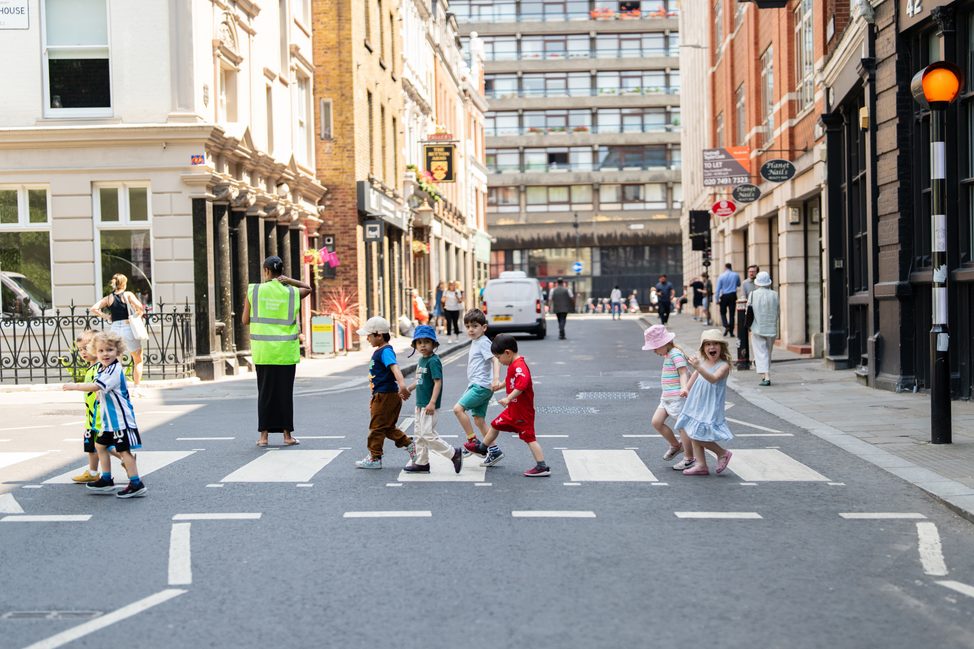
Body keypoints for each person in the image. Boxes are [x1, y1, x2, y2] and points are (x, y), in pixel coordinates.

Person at [63, 331, 147, 498]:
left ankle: (136, 483)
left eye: (109, 350)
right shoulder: (104, 368)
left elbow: (97, 386)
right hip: (108, 420)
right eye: (101, 351)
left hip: (120, 420)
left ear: (118, 351)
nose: (105, 354)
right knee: (100, 445)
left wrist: (74, 386)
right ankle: (106, 479)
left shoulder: (114, 370)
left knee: (124, 451)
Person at [242, 256, 310, 448]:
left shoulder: (254, 290)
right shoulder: (291, 292)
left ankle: (263, 437)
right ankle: (287, 436)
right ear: (282, 272)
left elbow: (245, 320)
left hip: (264, 352)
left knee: (264, 394)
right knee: (284, 394)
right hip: (285, 352)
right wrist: (290, 281)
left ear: (266, 271)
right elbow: (308, 287)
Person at [466, 334, 550, 477]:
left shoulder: (519, 367)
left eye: (498, 358)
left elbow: (522, 384)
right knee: (495, 425)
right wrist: (500, 386)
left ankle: (542, 466)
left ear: (507, 353)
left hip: (522, 412)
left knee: (529, 438)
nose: (499, 361)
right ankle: (482, 448)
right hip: (513, 410)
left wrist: (508, 398)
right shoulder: (513, 365)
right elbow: (510, 379)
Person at [355, 316, 417, 469]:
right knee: (387, 428)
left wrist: (402, 385)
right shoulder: (381, 350)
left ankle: (375, 458)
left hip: (385, 395)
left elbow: (395, 368)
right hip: (384, 395)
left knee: (376, 427)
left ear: (379, 335)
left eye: (369, 336)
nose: (367, 339)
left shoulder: (385, 351)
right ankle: (410, 446)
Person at [673, 329, 734, 476]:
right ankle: (701, 465)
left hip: (710, 405)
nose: (711, 347)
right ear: (703, 348)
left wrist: (699, 367)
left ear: (722, 347)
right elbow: (695, 374)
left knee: (697, 435)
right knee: (692, 430)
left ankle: (722, 453)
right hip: (697, 402)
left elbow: (713, 379)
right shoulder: (704, 362)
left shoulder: (723, 366)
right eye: (708, 344)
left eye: (715, 344)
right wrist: (686, 388)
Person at [403, 325, 463, 474]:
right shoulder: (422, 361)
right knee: (419, 434)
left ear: (434, 344)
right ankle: (422, 463)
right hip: (420, 404)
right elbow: (419, 380)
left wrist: (432, 402)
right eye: (419, 342)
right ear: (415, 345)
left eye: (426, 342)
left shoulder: (433, 361)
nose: (423, 345)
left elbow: (438, 382)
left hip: (429, 405)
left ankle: (453, 454)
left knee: (427, 434)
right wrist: (408, 389)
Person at [455, 309, 501, 457]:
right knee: (479, 420)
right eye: (468, 326)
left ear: (484, 327)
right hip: (480, 385)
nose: (471, 329)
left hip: (481, 386)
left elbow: (495, 359)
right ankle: (493, 450)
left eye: (475, 326)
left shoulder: (483, 342)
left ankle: (473, 441)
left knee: (458, 409)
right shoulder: (476, 341)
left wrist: (495, 379)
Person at [642, 325, 689, 462]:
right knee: (656, 422)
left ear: (664, 343)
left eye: (655, 347)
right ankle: (676, 445)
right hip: (666, 397)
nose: (654, 351)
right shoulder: (669, 354)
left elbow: (683, 373)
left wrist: (684, 387)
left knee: (682, 427)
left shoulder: (676, 354)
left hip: (677, 397)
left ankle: (689, 457)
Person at [90, 273, 146, 390]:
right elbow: (140, 307)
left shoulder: (109, 298)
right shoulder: (128, 294)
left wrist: (106, 316)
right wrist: (136, 315)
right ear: (124, 283)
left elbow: (94, 308)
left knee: (117, 361)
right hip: (127, 327)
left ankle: (119, 387)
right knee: (138, 359)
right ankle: (136, 388)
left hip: (114, 329)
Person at [69, 330, 110, 483]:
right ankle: (93, 472)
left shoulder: (100, 367)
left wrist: (76, 386)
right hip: (91, 417)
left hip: (101, 417)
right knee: (91, 446)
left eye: (85, 348)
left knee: (106, 446)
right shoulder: (91, 367)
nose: (82, 352)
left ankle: (126, 459)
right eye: (80, 349)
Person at [747, 271, 779, 386]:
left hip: (757, 327)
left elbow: (748, 312)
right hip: (771, 328)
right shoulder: (775, 294)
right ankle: (764, 374)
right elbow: (778, 311)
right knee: (768, 352)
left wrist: (748, 326)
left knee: (761, 352)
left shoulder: (753, 294)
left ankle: (766, 376)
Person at [715, 263, 741, 336]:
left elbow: (717, 289)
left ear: (725, 268)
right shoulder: (736, 275)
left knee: (723, 312)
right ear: (731, 267)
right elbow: (739, 284)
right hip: (732, 295)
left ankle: (726, 326)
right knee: (732, 314)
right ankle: (731, 332)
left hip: (724, 296)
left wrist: (717, 299)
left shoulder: (721, 276)